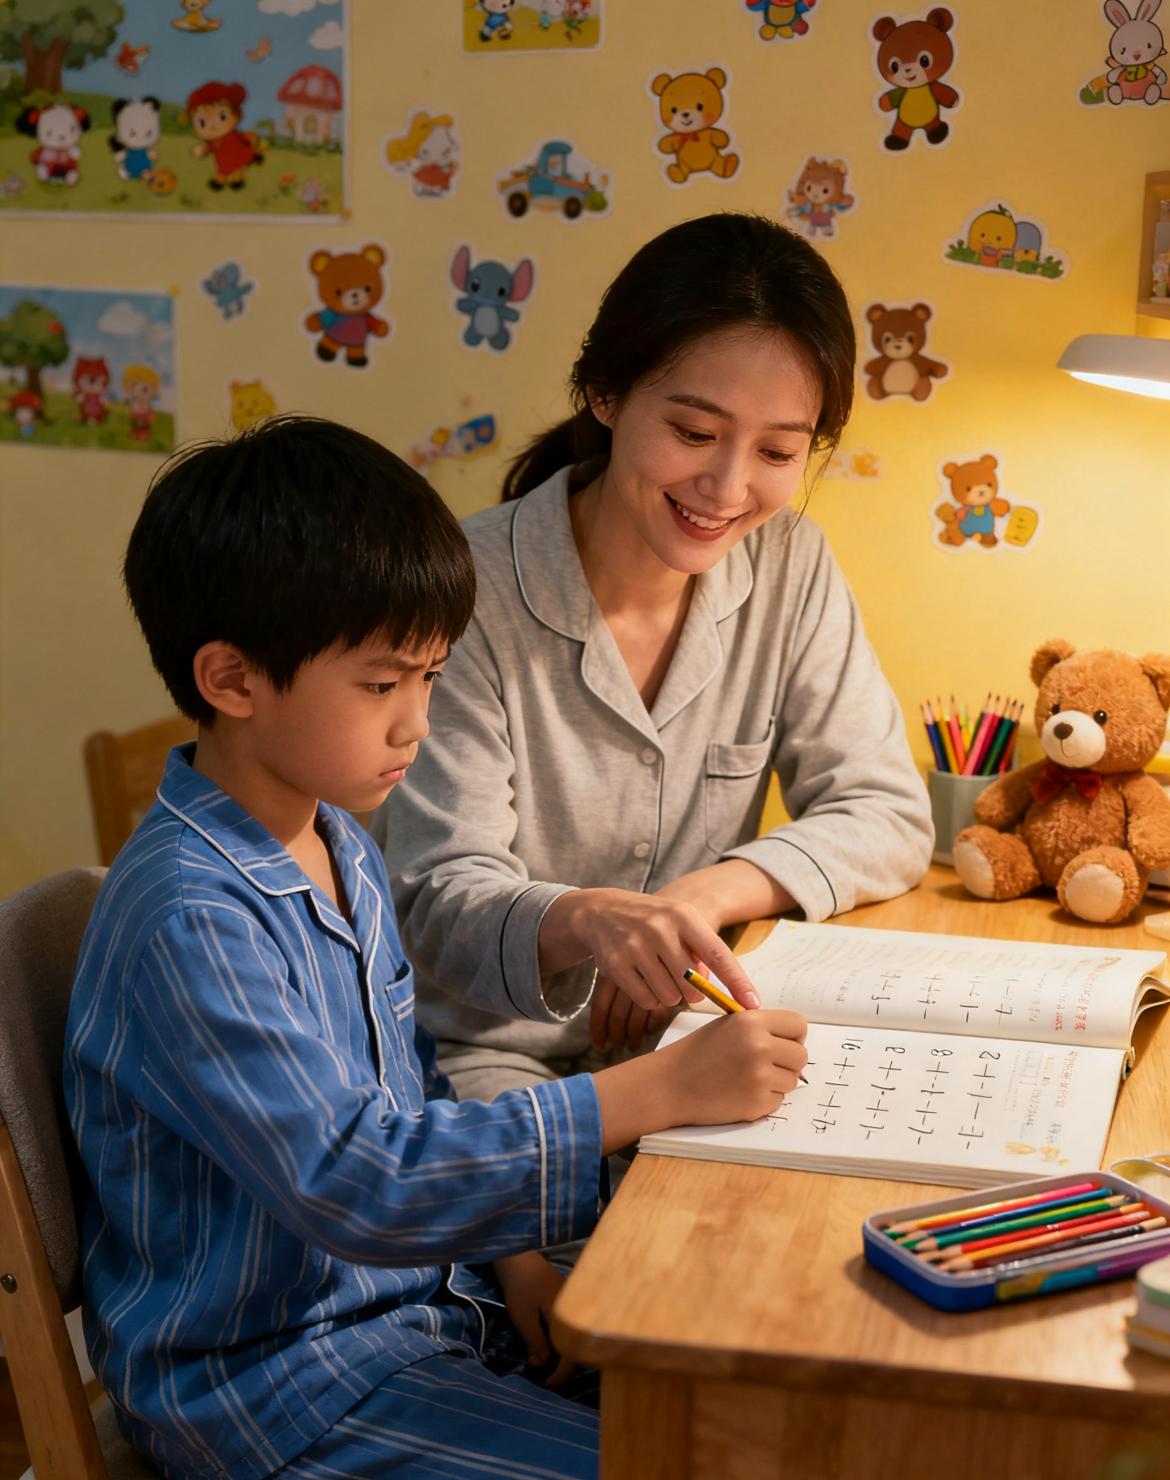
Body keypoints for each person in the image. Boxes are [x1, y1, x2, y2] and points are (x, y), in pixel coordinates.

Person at [63, 416, 809, 1480]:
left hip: (423, 1312)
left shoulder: (338, 842)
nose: (417, 721)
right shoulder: (193, 916)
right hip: (273, 1387)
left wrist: (509, 1256)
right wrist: (652, 1092)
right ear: (230, 680)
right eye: (383, 684)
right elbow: (353, 1178)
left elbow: (409, 1088)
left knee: (765, 1404)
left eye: (431, 677)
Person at [376, 212, 933, 1103]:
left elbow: (887, 813)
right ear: (606, 392)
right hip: (483, 1065)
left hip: (689, 1042)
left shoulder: (789, 563)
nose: (727, 489)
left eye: (779, 451)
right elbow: (439, 897)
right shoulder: (463, 589)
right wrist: (591, 922)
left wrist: (700, 900)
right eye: (694, 433)